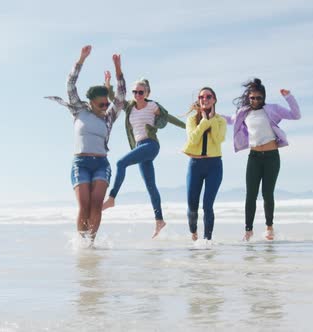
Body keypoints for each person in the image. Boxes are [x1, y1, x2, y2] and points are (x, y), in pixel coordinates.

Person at [45, 45, 125, 245]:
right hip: (80, 163)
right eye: (101, 105)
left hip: (101, 164)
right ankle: (81, 243)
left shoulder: (109, 118)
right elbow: (70, 84)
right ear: (91, 103)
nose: (106, 108)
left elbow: (122, 97)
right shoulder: (79, 111)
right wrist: (81, 59)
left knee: (96, 205)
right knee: (84, 204)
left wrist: (118, 70)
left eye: (107, 104)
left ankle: (90, 243)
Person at [102, 78, 185, 238]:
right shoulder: (129, 107)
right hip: (139, 147)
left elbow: (169, 118)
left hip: (151, 145)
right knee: (151, 186)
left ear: (147, 93)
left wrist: (188, 126)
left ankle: (112, 198)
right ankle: (159, 220)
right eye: (135, 92)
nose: (137, 95)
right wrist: (108, 86)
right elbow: (116, 99)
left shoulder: (153, 106)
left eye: (141, 92)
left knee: (121, 163)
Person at [225, 78, 301, 241]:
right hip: (254, 157)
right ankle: (248, 230)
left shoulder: (273, 109)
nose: (255, 101)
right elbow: (229, 120)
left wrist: (289, 97)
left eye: (259, 98)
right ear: (249, 98)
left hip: (271, 157)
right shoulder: (243, 112)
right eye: (252, 98)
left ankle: (269, 228)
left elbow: (296, 115)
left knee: (268, 193)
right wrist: (209, 113)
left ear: (263, 98)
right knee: (250, 194)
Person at [182, 87, 227, 242]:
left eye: (208, 96)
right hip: (195, 165)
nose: (205, 99)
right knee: (192, 206)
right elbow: (193, 140)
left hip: (214, 165)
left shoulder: (221, 120)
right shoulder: (191, 120)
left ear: (214, 100)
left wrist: (212, 120)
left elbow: (218, 139)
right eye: (202, 97)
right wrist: (203, 122)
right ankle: (193, 235)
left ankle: (207, 241)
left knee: (207, 205)